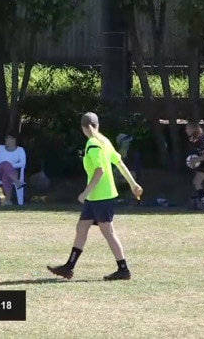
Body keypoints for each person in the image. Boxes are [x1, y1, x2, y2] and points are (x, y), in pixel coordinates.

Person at [47, 112, 143, 281]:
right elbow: (119, 163)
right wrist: (133, 184)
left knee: (108, 232)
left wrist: (85, 192)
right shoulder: (105, 141)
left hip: (101, 196)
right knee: (82, 228)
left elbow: (100, 171)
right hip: (97, 197)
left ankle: (123, 269)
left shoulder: (92, 144)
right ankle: (68, 267)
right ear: (98, 125)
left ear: (83, 128)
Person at [0, 133, 26, 206]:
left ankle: (8, 201)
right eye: (6, 138)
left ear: (14, 139)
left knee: (7, 175)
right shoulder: (0, 148)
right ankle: (17, 182)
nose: (6, 139)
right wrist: (5, 164)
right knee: (6, 165)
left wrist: (9, 166)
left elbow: (23, 163)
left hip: (10, 173)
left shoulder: (20, 150)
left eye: (8, 138)